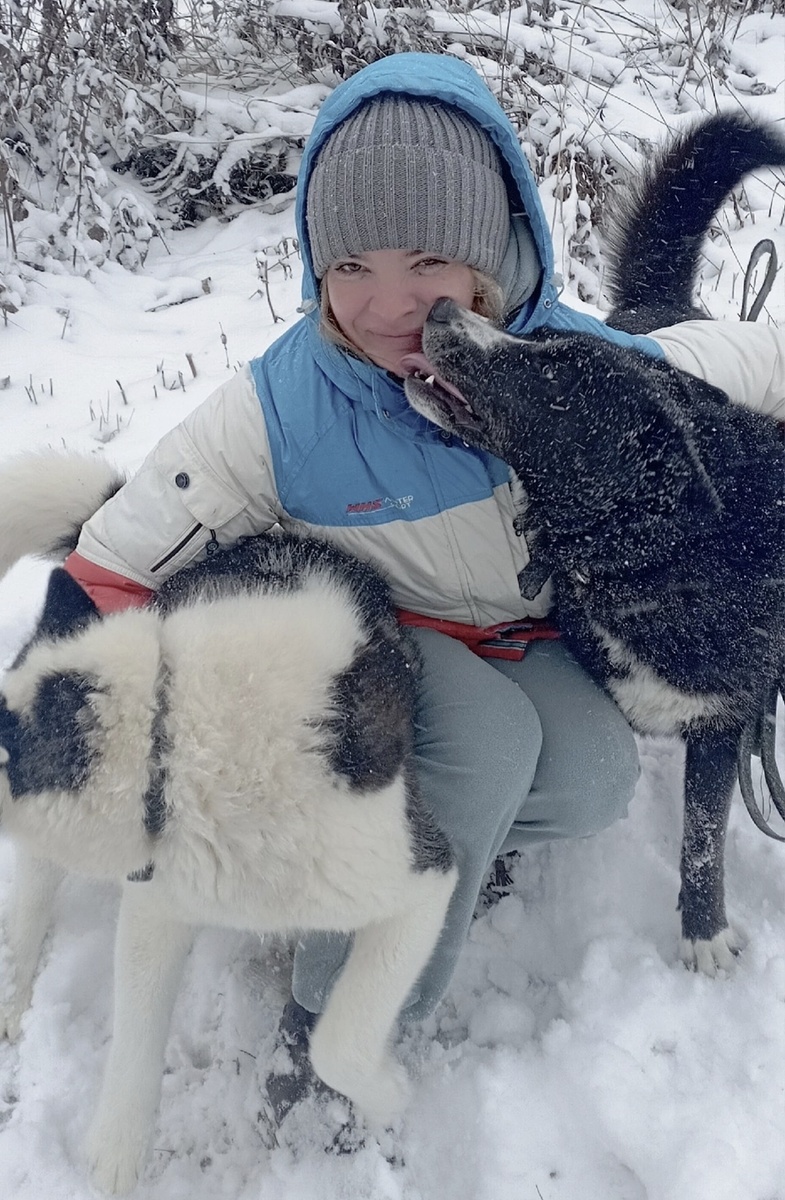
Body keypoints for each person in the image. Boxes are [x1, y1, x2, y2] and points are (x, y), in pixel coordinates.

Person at [60, 53, 785, 1118]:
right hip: (381, 648)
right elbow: (120, 557)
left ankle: (447, 844)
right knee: (482, 750)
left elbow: (734, 362)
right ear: (313, 266)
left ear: (494, 254)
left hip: (516, 637)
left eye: (428, 259)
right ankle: (330, 1028)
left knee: (591, 777)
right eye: (350, 264)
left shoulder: (565, 367)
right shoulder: (284, 410)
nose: (388, 301)